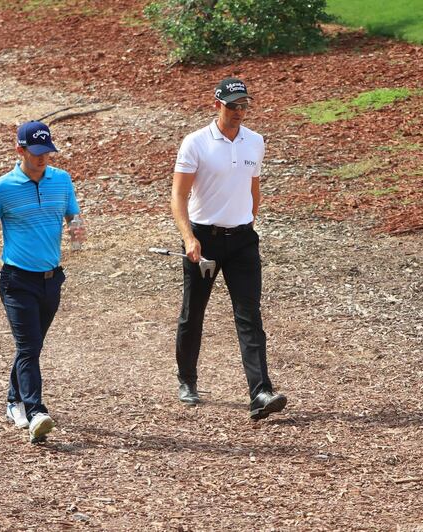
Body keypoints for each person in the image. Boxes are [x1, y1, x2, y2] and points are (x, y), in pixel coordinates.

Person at [0, 120, 85, 443]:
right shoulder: (2, 188)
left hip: (51, 280)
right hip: (17, 280)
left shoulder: (61, 181)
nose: (42, 158)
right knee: (29, 345)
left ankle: (13, 401)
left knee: (31, 346)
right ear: (19, 150)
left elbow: (72, 214)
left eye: (47, 152)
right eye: (36, 152)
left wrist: (77, 227)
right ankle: (36, 412)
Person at [170, 77, 287, 420]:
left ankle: (260, 392)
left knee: (249, 315)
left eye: (243, 105)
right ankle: (187, 379)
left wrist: (249, 220)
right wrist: (190, 238)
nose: (239, 112)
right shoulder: (196, 143)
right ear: (217, 104)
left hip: (242, 239)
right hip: (203, 238)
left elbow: (254, 187)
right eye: (233, 105)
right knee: (194, 312)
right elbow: (178, 196)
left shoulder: (255, 142)